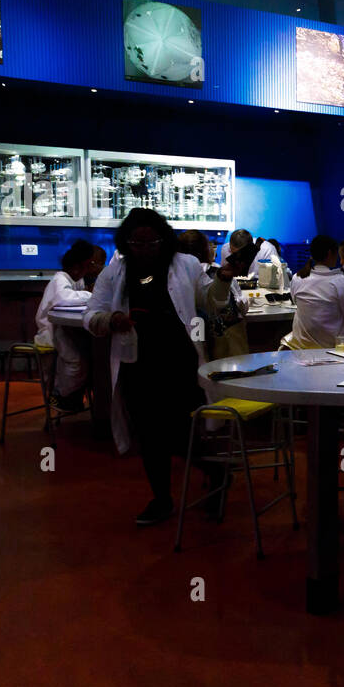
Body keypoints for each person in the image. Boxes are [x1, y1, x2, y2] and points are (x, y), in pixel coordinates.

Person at [85, 208, 254, 525]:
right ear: (126, 241)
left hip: (179, 360)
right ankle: (162, 499)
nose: (145, 248)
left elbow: (208, 300)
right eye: (137, 242)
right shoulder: (115, 272)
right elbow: (91, 315)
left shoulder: (185, 265)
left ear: (164, 239)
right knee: (148, 434)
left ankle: (215, 472)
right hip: (138, 362)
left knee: (182, 431)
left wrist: (222, 278)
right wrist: (112, 319)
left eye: (152, 242)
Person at [34, 239, 105, 413]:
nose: (92, 268)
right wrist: (90, 294)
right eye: (90, 264)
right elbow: (63, 298)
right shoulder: (60, 280)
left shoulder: (76, 281)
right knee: (75, 361)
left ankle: (74, 398)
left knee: (88, 358)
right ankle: (61, 397)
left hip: (66, 331)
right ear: (77, 266)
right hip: (52, 333)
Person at [179, 229, 248, 360]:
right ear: (204, 250)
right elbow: (239, 305)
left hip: (193, 335)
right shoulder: (219, 271)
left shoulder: (178, 275)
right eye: (210, 245)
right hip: (223, 342)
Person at [284, 234, 344, 349]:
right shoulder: (339, 281)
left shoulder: (297, 278)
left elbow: (296, 302)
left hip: (300, 347)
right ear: (330, 253)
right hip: (330, 349)